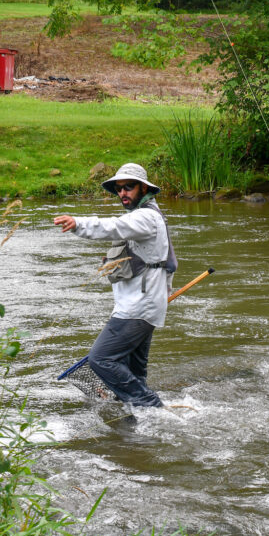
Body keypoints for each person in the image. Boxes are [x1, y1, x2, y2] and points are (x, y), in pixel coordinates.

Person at [53, 162, 177, 407]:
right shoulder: (146, 216)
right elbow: (170, 263)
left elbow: (112, 226)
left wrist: (78, 223)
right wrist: (164, 293)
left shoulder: (146, 218)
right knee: (135, 371)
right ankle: (137, 432)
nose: (123, 193)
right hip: (144, 306)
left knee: (101, 359)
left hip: (137, 309)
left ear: (143, 188)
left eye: (128, 187)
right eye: (118, 189)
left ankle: (151, 406)